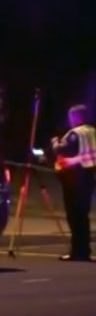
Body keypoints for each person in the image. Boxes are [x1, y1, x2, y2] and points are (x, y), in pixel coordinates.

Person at [51, 104, 96, 261]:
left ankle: (78, 251)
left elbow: (63, 150)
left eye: (71, 117)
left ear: (76, 117)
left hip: (75, 178)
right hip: (89, 176)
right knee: (82, 216)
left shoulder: (75, 134)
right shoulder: (92, 131)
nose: (70, 120)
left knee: (75, 216)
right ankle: (84, 250)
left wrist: (55, 143)